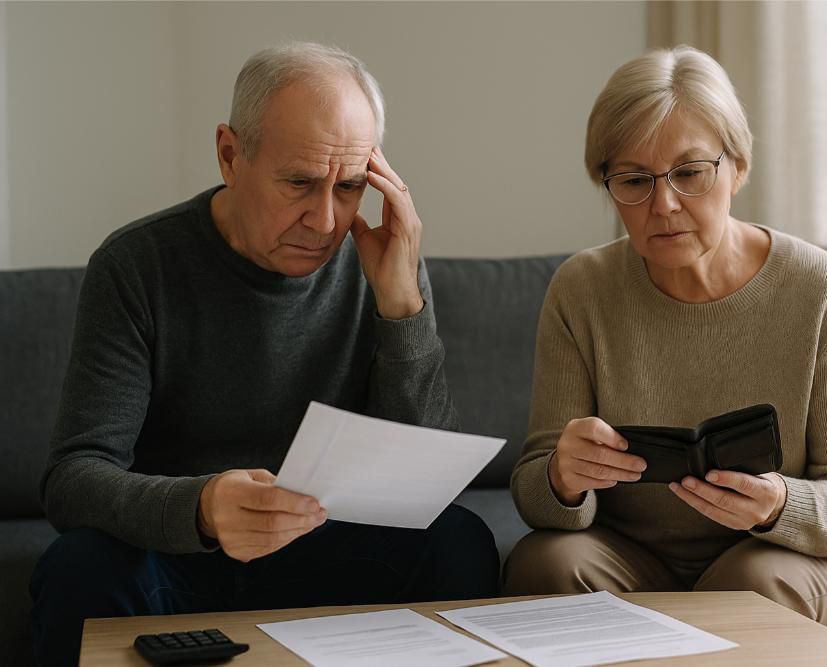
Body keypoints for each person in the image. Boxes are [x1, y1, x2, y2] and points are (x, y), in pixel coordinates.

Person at [30, 42, 499, 666]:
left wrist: (400, 306)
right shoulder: (137, 265)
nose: (326, 220)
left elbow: (423, 481)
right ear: (231, 155)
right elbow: (73, 478)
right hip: (180, 553)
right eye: (300, 182)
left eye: (351, 186)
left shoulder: (385, 264)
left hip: (331, 547)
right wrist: (200, 509)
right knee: (77, 568)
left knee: (460, 541)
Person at [503, 45, 827, 631]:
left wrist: (780, 505)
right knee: (546, 562)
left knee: (751, 587)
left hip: (783, 553)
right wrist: (562, 477)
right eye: (633, 179)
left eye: (688, 172)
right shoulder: (581, 289)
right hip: (629, 555)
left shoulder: (822, 289)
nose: (663, 204)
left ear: (737, 168)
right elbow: (535, 495)